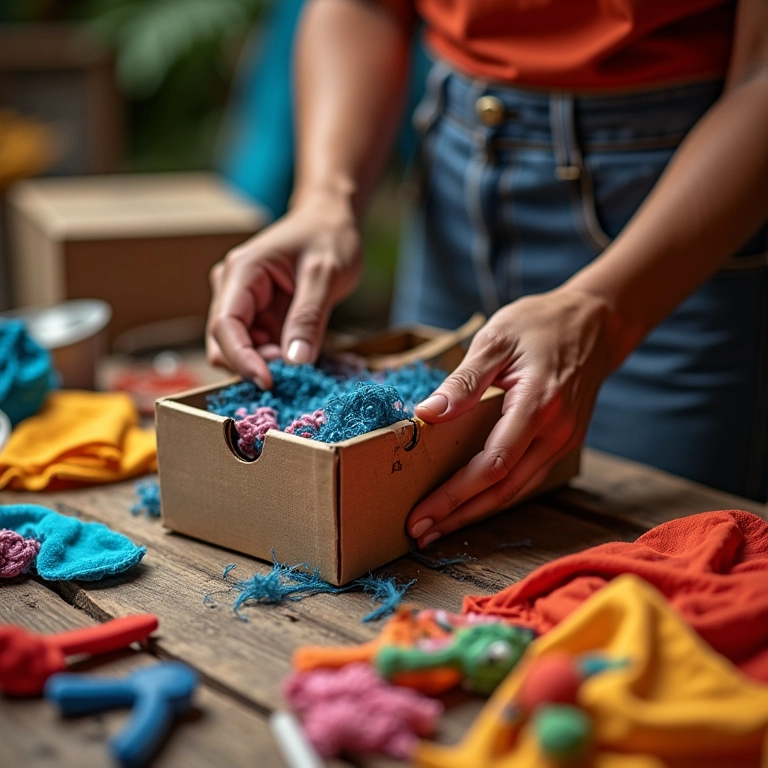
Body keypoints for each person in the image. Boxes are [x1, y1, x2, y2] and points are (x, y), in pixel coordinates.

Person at [207, 0, 768, 548]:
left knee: (666, 548)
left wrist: (605, 310)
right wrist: (326, 198)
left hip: (681, 204)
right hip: (453, 170)